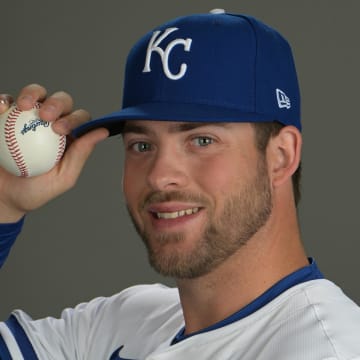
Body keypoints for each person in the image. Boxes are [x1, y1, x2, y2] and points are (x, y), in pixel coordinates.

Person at [0, 9, 360, 360]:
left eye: (202, 141)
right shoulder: (123, 322)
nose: (159, 175)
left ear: (281, 156)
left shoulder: (322, 348)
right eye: (142, 145)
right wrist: (4, 206)